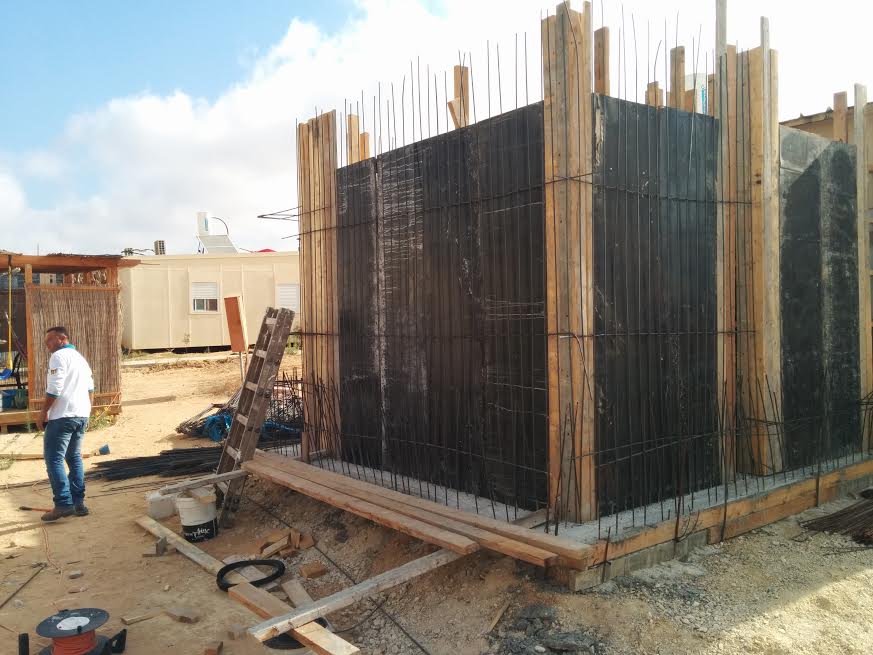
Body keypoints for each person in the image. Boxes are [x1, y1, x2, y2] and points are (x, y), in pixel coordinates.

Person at [36, 326, 94, 521]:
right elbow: (90, 388)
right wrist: (87, 411)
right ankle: (78, 503)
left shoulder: (59, 357)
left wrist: (43, 412)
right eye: (46, 343)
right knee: (74, 457)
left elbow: (55, 387)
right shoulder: (80, 359)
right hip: (80, 415)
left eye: (50, 341)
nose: (48, 346)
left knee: (54, 458)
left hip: (63, 415)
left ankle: (63, 503)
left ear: (63, 338)